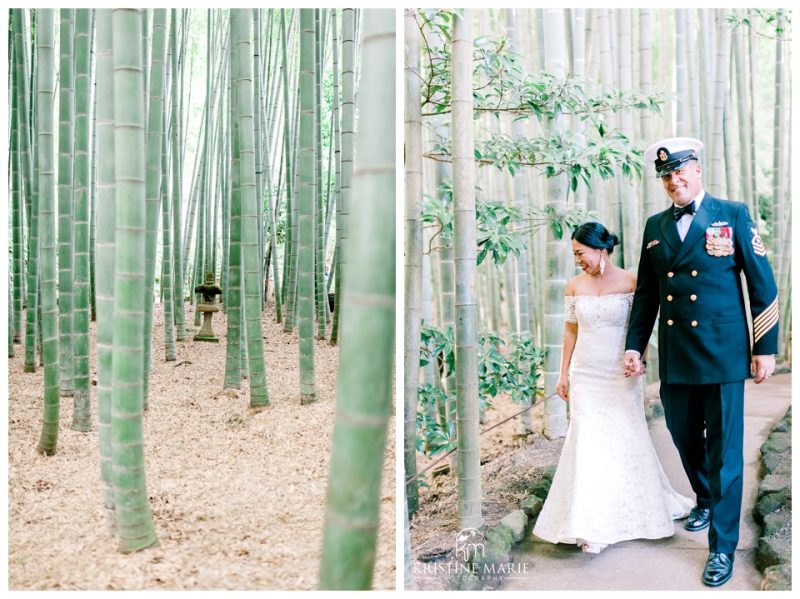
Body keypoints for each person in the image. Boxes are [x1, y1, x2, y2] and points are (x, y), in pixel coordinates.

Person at [624, 137, 779, 587]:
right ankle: (705, 496)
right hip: (676, 356)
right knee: (683, 436)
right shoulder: (655, 226)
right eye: (667, 176)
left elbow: (762, 285)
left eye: (680, 172)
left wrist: (763, 347)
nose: (675, 181)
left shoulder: (732, 214)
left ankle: (721, 548)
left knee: (726, 456)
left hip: (724, 355)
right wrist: (635, 345)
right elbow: (648, 295)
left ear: (697, 169)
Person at [532, 222, 693, 555]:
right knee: (588, 442)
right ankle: (591, 522)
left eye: (580, 253)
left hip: (620, 374)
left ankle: (627, 507)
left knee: (625, 437)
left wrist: (639, 359)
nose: (578, 260)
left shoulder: (632, 282)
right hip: (586, 374)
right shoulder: (574, 287)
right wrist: (562, 375)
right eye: (575, 254)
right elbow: (570, 334)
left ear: (600, 250)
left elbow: (642, 326)